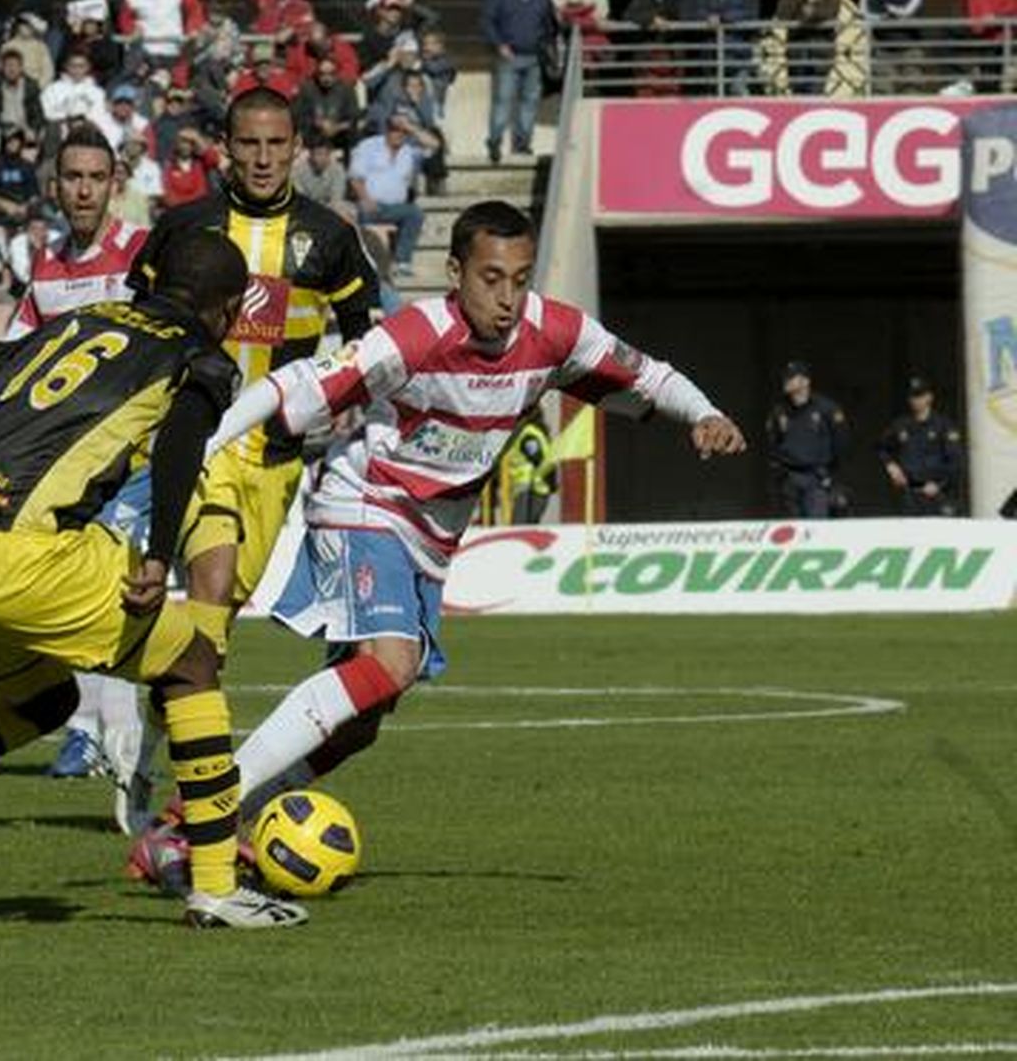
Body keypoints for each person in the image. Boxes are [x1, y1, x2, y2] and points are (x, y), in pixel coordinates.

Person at [129, 202, 746, 886]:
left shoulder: (556, 331)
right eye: (489, 278)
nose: (507, 298)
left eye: (518, 278)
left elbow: (648, 375)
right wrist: (204, 444)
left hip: (432, 535)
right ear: (455, 273)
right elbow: (289, 386)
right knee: (390, 661)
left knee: (365, 718)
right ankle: (204, 812)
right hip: (367, 503)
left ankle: (209, 824)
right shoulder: (413, 335)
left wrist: (706, 411)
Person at [0, 230, 309, 930]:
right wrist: (160, 556)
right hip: (23, 552)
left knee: (44, 698)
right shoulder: (200, 354)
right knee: (190, 660)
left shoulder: (72, 323)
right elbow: (183, 444)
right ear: (224, 309)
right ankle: (218, 886)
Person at [133, 86, 379, 667]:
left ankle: (160, 717)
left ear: (296, 147)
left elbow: (364, 341)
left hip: (277, 455)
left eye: (275, 143)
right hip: (200, 440)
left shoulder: (331, 236)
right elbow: (139, 326)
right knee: (211, 588)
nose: (263, 158)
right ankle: (188, 744)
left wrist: (335, 398)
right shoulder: (184, 228)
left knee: (217, 619)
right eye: (249, 143)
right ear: (225, 148)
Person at [0, 126, 152, 806]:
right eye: (73, 177)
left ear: (113, 183)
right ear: (55, 186)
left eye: (97, 176)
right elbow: (16, 354)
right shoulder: (46, 268)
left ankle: (111, 734)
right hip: (65, 466)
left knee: (113, 596)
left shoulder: (140, 257)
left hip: (135, 458)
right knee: (70, 597)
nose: (85, 188)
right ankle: (96, 729)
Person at [348, 115, 436, 277]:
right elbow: (355, 177)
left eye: (402, 131)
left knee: (415, 213)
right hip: (369, 204)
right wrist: (365, 199)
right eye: (394, 130)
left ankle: (402, 262)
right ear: (387, 130)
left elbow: (434, 144)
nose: (398, 134)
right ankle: (366, 263)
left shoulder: (409, 150)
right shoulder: (369, 146)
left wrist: (411, 127)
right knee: (362, 213)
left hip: (396, 207)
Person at [767, 360, 848, 518]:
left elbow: (841, 442)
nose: (786, 381)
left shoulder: (826, 408)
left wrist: (830, 473)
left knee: (816, 528)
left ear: (805, 381)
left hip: (816, 478)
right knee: (791, 530)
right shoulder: (779, 411)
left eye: (791, 378)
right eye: (785, 378)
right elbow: (773, 443)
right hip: (788, 479)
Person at [877, 376, 962, 516]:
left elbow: (955, 461)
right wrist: (891, 465)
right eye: (912, 396)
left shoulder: (944, 426)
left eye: (919, 396)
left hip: (936, 495)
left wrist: (939, 485)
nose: (915, 400)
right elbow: (881, 447)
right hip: (909, 494)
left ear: (929, 397)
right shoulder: (901, 425)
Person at [486, 0, 555, 163]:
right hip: (509, 58)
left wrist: (545, 47)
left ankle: (522, 144)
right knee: (503, 101)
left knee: (529, 102)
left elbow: (549, 27)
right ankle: (495, 141)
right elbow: (487, 22)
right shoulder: (500, 1)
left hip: (535, 59)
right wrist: (499, 44)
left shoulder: (543, 1)